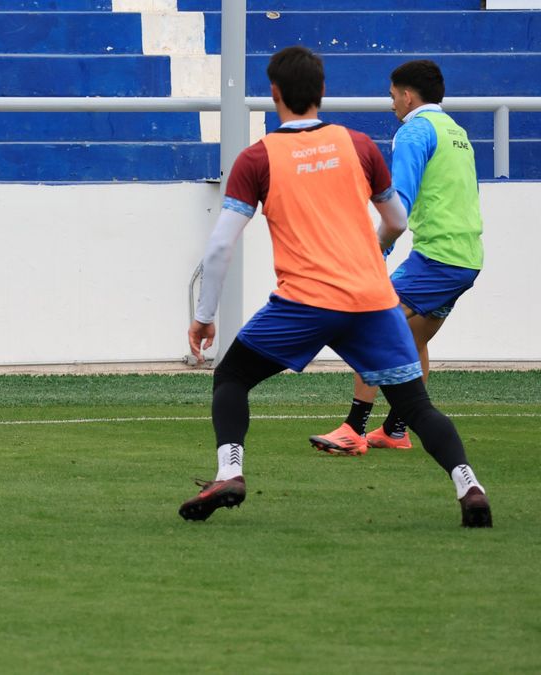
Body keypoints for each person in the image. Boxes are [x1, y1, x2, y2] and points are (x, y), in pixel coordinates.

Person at [179, 46, 490, 528]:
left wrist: (204, 315)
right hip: (371, 297)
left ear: (275, 94)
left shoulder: (257, 157)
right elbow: (396, 218)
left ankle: (230, 471)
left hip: (305, 300)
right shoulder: (359, 144)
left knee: (233, 377)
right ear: (322, 92)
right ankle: (469, 484)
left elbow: (221, 246)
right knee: (414, 405)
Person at [310, 60, 483, 456]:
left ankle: (354, 429)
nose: (391, 105)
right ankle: (395, 429)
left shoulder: (414, 131)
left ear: (407, 96)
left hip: (438, 258)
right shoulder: (456, 132)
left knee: (368, 326)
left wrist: (377, 250)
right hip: (466, 255)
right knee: (411, 336)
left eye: (392, 97)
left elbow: (398, 207)